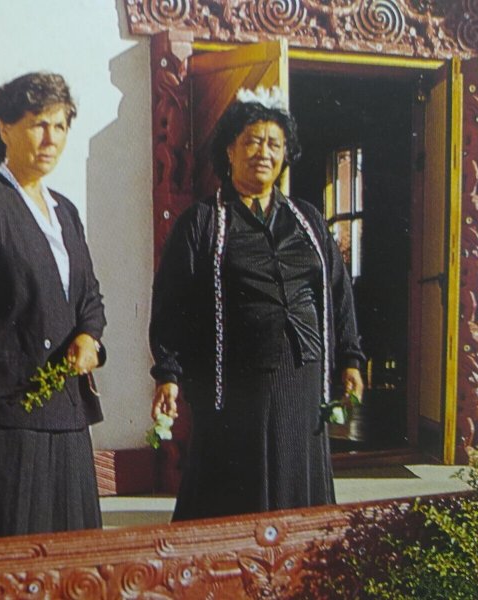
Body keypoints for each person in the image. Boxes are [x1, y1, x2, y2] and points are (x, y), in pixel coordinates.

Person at [149, 88, 365, 520]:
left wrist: (351, 359)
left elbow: (338, 296)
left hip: (302, 382)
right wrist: (168, 374)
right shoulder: (204, 222)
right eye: (251, 141)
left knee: (296, 485)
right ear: (229, 149)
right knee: (234, 498)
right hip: (234, 387)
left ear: (286, 154)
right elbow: (171, 306)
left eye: (274, 144)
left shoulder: (307, 220)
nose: (263, 153)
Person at [0, 72, 106, 539]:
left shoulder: (65, 211)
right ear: (4, 128)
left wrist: (90, 337)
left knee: (72, 562)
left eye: (60, 126)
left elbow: (89, 296)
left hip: (68, 415)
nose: (51, 138)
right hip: (7, 414)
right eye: (37, 124)